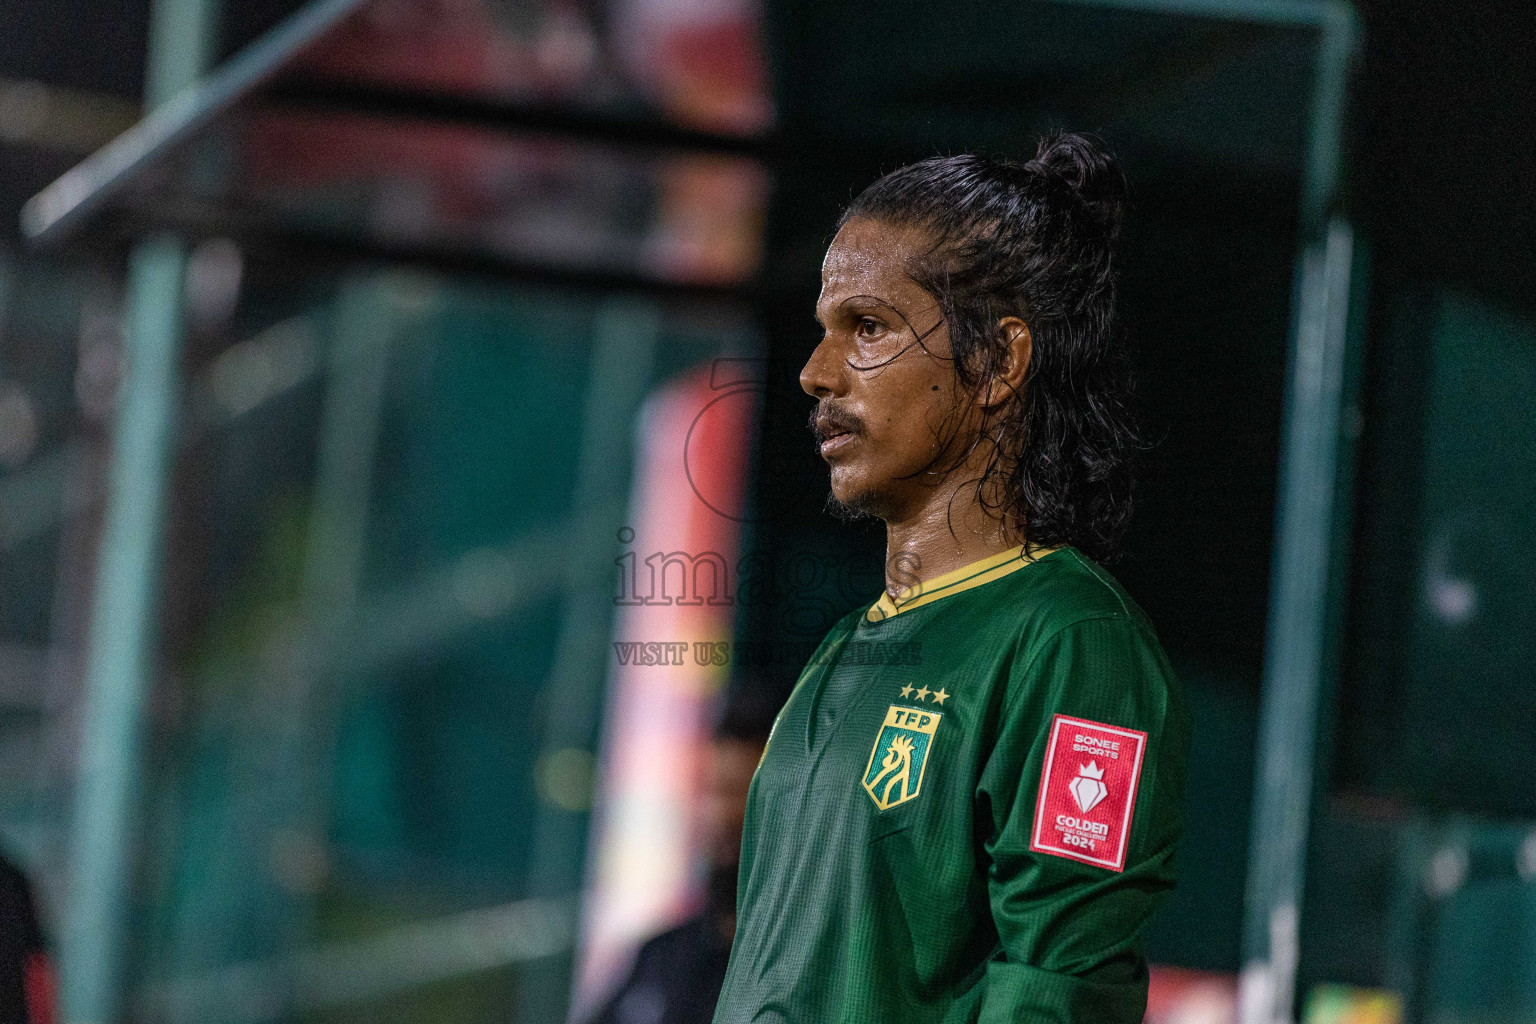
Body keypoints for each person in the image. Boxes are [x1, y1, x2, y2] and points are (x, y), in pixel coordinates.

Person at [712, 134, 1190, 1024]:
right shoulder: (841, 649)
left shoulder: (1072, 644)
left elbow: (1061, 991)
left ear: (1000, 362)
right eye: (823, 333)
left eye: (870, 328)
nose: (817, 374)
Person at [590, 706, 770, 1024]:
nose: (722, 815)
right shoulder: (661, 957)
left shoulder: (793, 966)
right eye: (713, 792)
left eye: (741, 794)